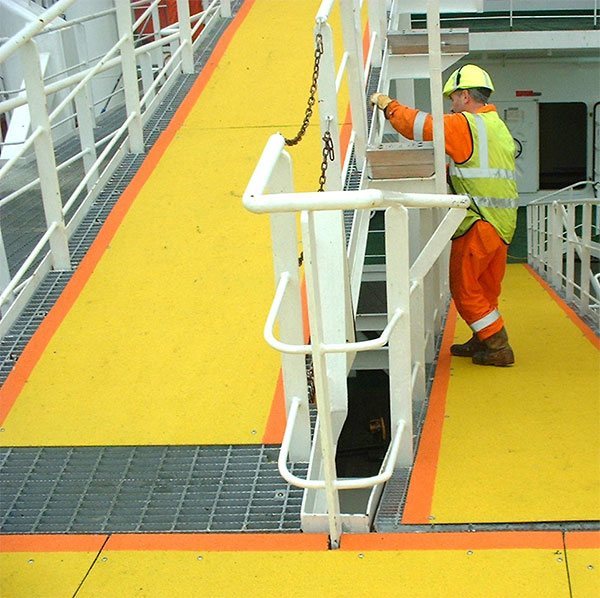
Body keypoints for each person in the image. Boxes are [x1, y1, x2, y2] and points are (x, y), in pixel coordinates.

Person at [370, 64, 518, 366]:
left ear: (465, 96)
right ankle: (482, 339)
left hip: (479, 221)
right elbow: (480, 166)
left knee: (464, 289)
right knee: (486, 289)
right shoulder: (496, 126)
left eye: (453, 98)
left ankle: (498, 345)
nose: (451, 105)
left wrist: (389, 106)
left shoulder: (465, 124)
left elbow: (419, 126)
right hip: (503, 223)